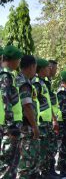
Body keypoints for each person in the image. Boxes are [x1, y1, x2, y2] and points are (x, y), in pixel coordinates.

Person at [32, 58, 61, 178]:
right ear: (41, 69)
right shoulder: (37, 83)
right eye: (46, 68)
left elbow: (49, 103)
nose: (49, 70)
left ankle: (49, 170)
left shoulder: (44, 82)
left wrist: (54, 118)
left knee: (51, 148)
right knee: (43, 150)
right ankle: (44, 172)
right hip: (41, 121)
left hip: (48, 120)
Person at [0, 45, 23, 178]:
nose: (19, 62)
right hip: (7, 126)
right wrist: (11, 125)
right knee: (7, 165)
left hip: (8, 124)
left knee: (10, 163)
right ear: (11, 60)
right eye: (18, 59)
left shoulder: (9, 75)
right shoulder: (5, 76)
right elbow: (5, 100)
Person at [16, 55, 41, 178]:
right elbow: (27, 107)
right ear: (31, 66)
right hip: (26, 127)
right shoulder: (24, 83)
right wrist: (35, 126)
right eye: (35, 67)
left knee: (32, 162)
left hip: (25, 126)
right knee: (26, 163)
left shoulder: (21, 80)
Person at [45, 59, 60, 175]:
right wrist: (53, 118)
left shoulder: (48, 82)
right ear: (50, 68)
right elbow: (46, 103)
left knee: (52, 147)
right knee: (48, 148)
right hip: (46, 120)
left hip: (51, 119)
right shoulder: (43, 82)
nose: (56, 71)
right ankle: (47, 171)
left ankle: (50, 170)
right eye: (55, 68)